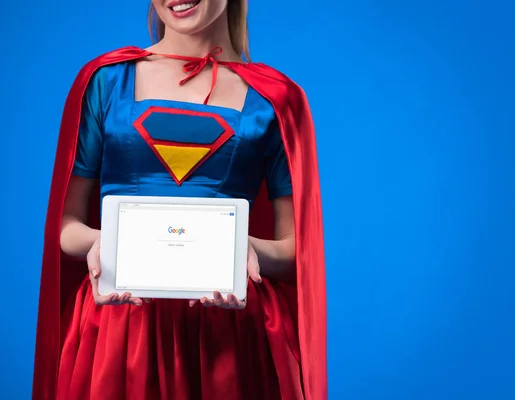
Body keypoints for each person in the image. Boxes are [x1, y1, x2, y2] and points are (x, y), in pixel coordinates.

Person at [32, 1, 327, 399]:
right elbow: (65, 227)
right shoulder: (106, 81)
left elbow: (297, 252)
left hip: (230, 336)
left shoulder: (276, 99)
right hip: (120, 329)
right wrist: (106, 244)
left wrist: (241, 248)